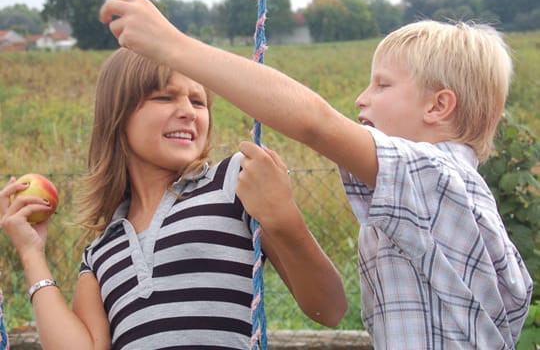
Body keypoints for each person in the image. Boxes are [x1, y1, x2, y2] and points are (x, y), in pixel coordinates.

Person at [97, 0, 535, 349]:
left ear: (438, 106)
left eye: (381, 85)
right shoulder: (426, 205)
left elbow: (315, 124)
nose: (362, 99)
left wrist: (170, 45)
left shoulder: (434, 177)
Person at [0, 47, 347, 349]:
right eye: (165, 97)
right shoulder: (102, 252)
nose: (188, 111)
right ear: (118, 116)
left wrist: (283, 216)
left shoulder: (234, 182)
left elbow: (329, 307)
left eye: (198, 101)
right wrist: (32, 254)